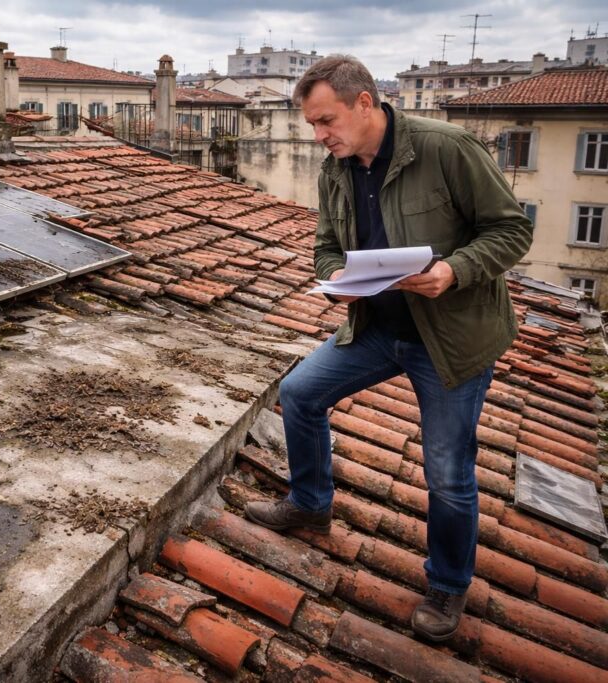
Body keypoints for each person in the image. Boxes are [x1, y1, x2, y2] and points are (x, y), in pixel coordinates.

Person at [244, 55, 532, 642]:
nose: (319, 136)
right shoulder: (336, 168)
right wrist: (335, 278)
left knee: (447, 470)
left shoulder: (446, 148)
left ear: (364, 103)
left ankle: (448, 584)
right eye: (312, 125)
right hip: (376, 327)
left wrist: (454, 270)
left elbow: (511, 229)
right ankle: (310, 503)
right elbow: (326, 246)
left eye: (326, 121)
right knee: (299, 393)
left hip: (449, 336)